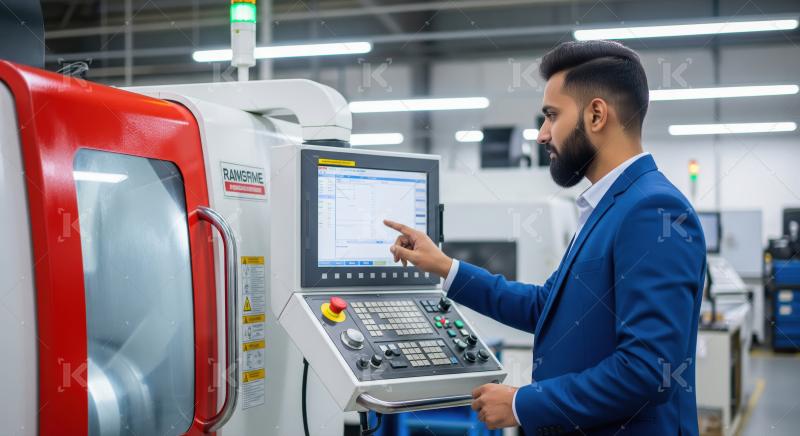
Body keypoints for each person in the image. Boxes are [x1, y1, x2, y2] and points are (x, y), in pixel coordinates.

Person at [384, 40, 706, 435]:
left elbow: (648, 370)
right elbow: (547, 307)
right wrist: (446, 268)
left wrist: (523, 403)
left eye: (551, 116)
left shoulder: (652, 209)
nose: (541, 134)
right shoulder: (607, 206)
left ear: (596, 115)